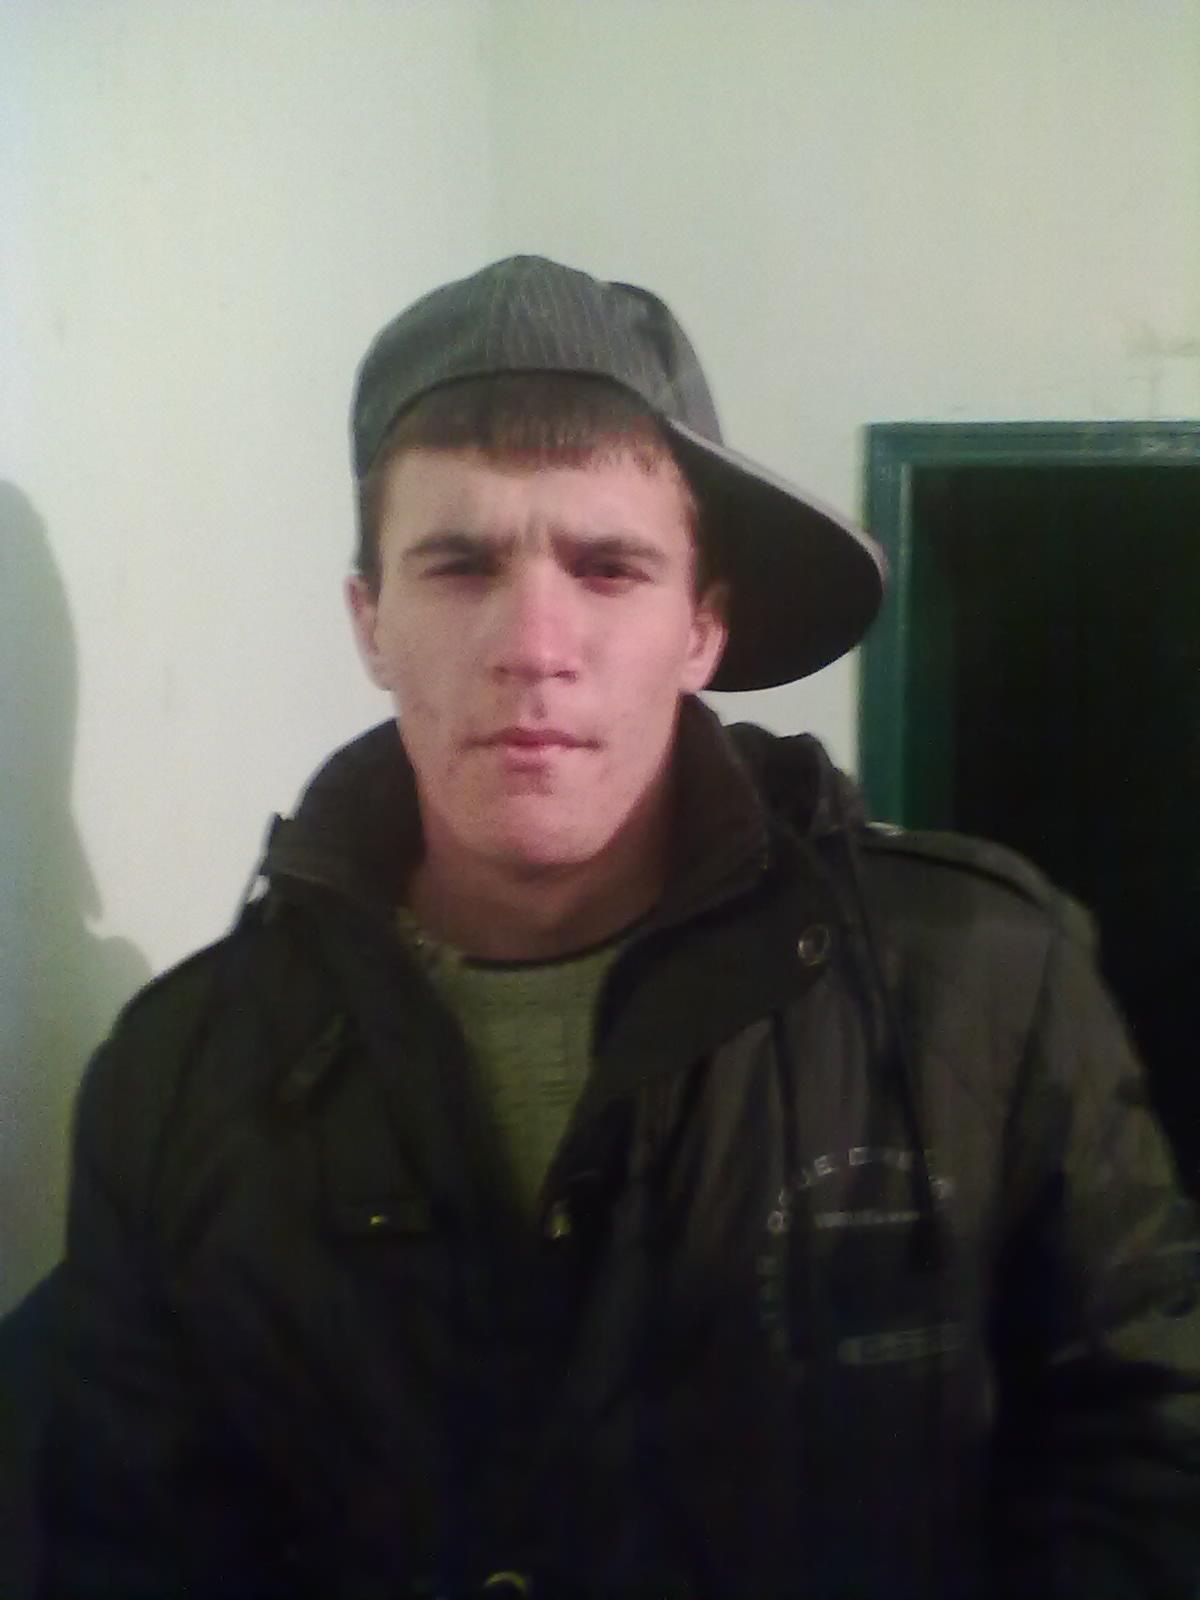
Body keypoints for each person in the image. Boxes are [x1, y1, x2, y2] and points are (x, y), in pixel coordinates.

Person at [39, 256, 1200, 1599]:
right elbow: (128, 1544)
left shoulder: (985, 987)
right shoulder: (176, 1080)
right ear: (372, 623)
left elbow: (1149, 1453)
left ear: (702, 627)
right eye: (460, 564)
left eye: (608, 567)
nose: (535, 644)